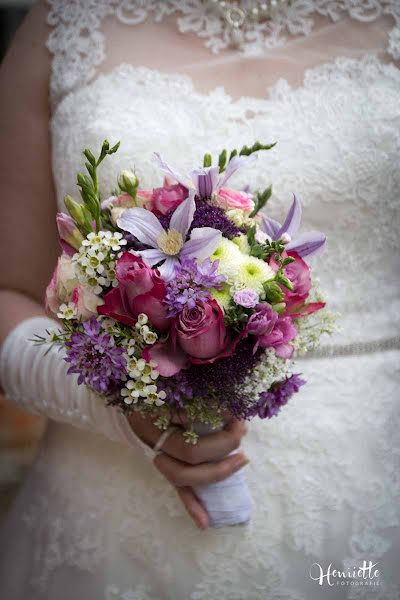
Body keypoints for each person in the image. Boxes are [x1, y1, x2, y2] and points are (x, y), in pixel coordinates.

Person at [0, 1, 399, 598]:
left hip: (370, 477)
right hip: (108, 505)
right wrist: (116, 408)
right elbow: (8, 291)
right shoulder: (63, 23)